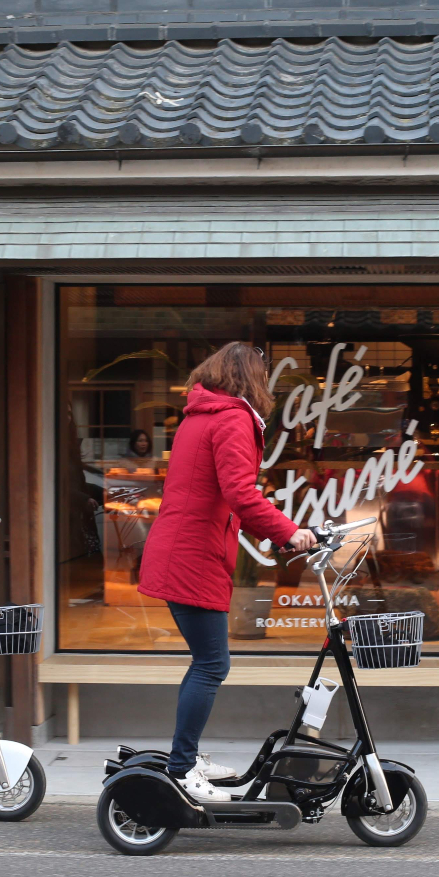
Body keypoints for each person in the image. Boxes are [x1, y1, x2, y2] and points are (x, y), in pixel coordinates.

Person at [137, 342, 316, 801]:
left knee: (207, 661)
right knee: (213, 663)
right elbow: (239, 492)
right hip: (192, 556)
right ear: (250, 377)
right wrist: (287, 532)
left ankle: (186, 757)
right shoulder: (233, 418)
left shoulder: (199, 416)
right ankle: (182, 769)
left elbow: (220, 491)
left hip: (185, 550)